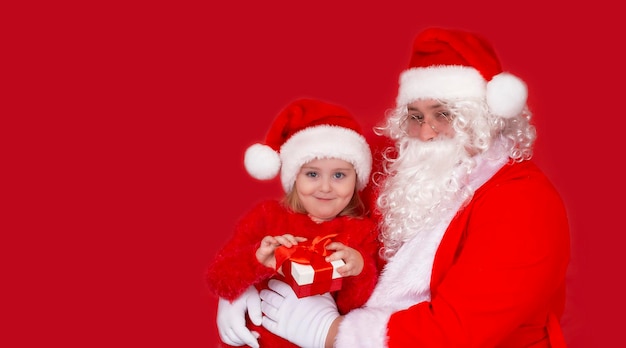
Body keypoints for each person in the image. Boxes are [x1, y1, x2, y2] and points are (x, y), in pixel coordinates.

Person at [258, 27, 571, 347]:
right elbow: (309, 221)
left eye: (444, 115)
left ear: (483, 118)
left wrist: (326, 332)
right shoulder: (397, 168)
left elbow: (457, 332)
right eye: (415, 116)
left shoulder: (526, 203)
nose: (425, 134)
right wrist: (248, 288)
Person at [206, 98, 380, 348]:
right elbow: (218, 279)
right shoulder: (268, 216)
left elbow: (352, 307)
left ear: (356, 179)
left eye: (339, 175)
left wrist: (358, 268)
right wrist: (256, 260)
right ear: (294, 177)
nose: (325, 187)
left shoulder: (360, 232)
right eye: (312, 174)